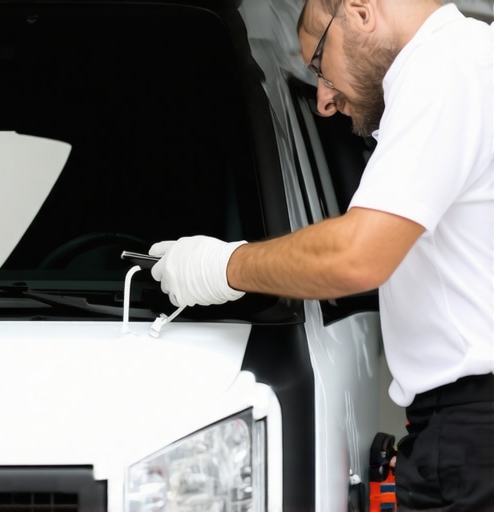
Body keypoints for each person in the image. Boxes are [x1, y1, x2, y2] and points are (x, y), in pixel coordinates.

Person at [149, 0, 494, 509]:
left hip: (473, 433)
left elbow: (357, 256)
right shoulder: (473, 60)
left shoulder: (441, 66)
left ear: (358, 10)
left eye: (318, 66)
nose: (323, 101)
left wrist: (219, 268)